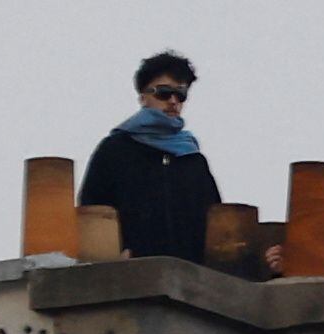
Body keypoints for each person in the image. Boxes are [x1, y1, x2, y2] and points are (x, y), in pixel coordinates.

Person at [78, 53, 224, 263]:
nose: (173, 101)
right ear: (143, 96)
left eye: (180, 94)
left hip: (190, 282)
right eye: (164, 92)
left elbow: (215, 222)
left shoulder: (192, 160)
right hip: (131, 277)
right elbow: (91, 211)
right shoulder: (114, 151)